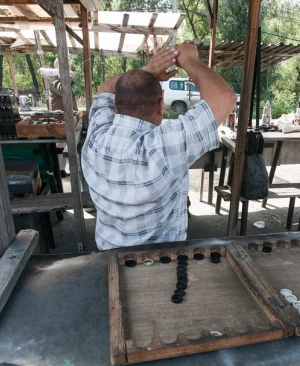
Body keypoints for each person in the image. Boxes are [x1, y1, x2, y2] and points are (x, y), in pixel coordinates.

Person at [82, 44, 237, 250]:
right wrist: (189, 59)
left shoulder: (96, 136)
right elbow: (225, 98)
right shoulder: (165, 147)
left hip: (107, 257)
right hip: (162, 263)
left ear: (116, 106)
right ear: (160, 105)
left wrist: (149, 70)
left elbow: (105, 89)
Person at [49, 58, 77, 177]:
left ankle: (67, 170)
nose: (69, 69)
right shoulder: (53, 79)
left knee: (69, 144)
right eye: (66, 67)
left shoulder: (60, 79)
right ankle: (59, 171)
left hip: (67, 116)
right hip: (59, 118)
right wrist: (69, 79)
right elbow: (63, 90)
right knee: (60, 145)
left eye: (69, 67)